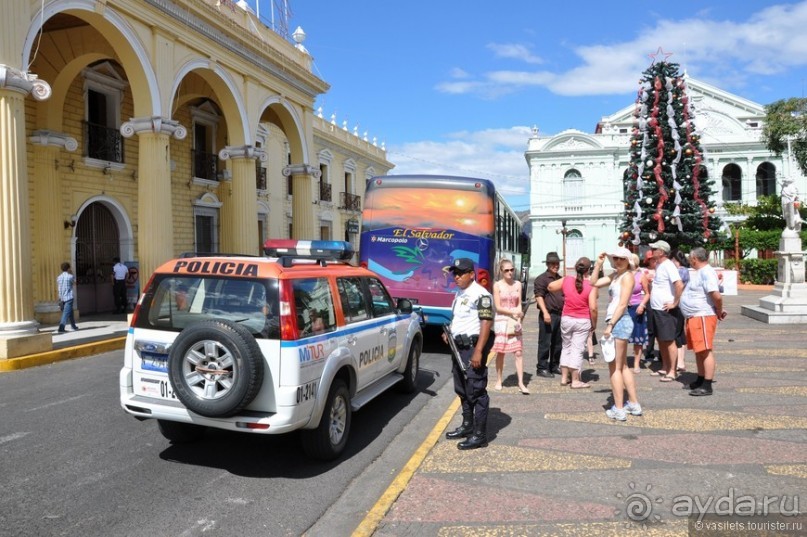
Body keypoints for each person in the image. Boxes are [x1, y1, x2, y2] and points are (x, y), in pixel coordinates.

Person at [442, 258, 495, 450]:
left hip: (472, 348)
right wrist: (450, 333)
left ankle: (480, 435)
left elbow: (486, 323)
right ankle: (467, 425)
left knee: (476, 390)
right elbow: (460, 318)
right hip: (459, 348)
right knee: (462, 389)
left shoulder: (481, 294)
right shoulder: (460, 293)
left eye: (460, 273)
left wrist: (479, 351)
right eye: (454, 273)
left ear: (471, 274)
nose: (456, 277)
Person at [591, 247, 642, 421]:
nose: (617, 261)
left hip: (619, 321)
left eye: (621, 259)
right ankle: (633, 403)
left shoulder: (627, 277)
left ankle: (619, 408)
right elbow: (594, 283)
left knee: (614, 368)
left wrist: (610, 325)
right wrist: (598, 264)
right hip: (618, 321)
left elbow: (622, 304)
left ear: (628, 261)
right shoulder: (616, 275)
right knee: (623, 366)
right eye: (615, 258)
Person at [680, 247, 726, 396]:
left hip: (703, 316)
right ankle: (700, 379)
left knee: (705, 350)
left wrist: (719, 310)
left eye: (690, 258)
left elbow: (716, 296)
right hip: (695, 316)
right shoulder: (700, 272)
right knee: (699, 350)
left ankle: (707, 385)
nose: (689, 260)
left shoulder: (706, 272)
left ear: (694, 258)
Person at [547, 257, 597, 389]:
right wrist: (594, 324)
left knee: (566, 347)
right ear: (588, 270)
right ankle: (575, 380)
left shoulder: (567, 280)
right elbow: (593, 308)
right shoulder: (590, 286)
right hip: (582, 320)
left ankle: (564, 378)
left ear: (575, 268)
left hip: (567, 318)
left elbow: (550, 286)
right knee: (577, 349)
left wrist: (564, 291)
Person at [647, 240, 684, 382]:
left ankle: (672, 371)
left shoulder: (668, 265)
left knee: (669, 340)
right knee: (661, 340)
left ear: (661, 252)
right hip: (657, 308)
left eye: (654, 249)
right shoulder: (660, 265)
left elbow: (679, 285)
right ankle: (665, 366)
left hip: (666, 310)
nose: (652, 251)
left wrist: (675, 303)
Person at [491, 258, 528, 394]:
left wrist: (519, 317)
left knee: (518, 352)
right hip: (502, 320)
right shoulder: (497, 285)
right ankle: (499, 380)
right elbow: (498, 307)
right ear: (501, 271)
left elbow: (519, 303)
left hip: (514, 320)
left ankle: (521, 382)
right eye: (506, 270)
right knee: (500, 352)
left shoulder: (518, 284)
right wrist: (514, 312)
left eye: (512, 270)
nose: (510, 273)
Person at [534, 252, 564, 378]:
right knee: (545, 342)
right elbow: (539, 296)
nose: (555, 266)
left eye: (557, 263)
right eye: (552, 263)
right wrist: (545, 312)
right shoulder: (541, 279)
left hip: (560, 314)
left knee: (558, 343)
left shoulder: (559, 278)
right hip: (548, 314)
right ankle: (542, 367)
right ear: (547, 264)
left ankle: (554, 365)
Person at [627, 253, 649, 373]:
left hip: (637, 308)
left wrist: (642, 304)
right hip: (625, 308)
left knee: (637, 337)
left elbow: (647, 293)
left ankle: (636, 363)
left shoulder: (641, 276)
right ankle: (622, 362)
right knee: (622, 336)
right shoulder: (624, 275)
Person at [671, 250, 691, 373]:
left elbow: (679, 287)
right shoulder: (686, 270)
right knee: (681, 333)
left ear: (675, 260)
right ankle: (681, 360)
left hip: (677, 304)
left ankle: (679, 361)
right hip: (683, 304)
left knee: (676, 333)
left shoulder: (679, 271)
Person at [641, 250, 658, 364]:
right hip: (649, 301)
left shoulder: (661, 270)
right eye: (652, 259)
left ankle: (662, 354)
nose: (655, 261)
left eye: (655, 259)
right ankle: (649, 352)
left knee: (661, 329)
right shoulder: (644, 271)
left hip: (660, 300)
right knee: (650, 328)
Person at [56, 262, 79, 333]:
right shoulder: (70, 276)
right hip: (69, 297)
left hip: (61, 298)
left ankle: (73, 326)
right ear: (68, 268)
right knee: (66, 313)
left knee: (70, 312)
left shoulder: (59, 277)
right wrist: (72, 274)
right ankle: (61, 328)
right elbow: (75, 283)